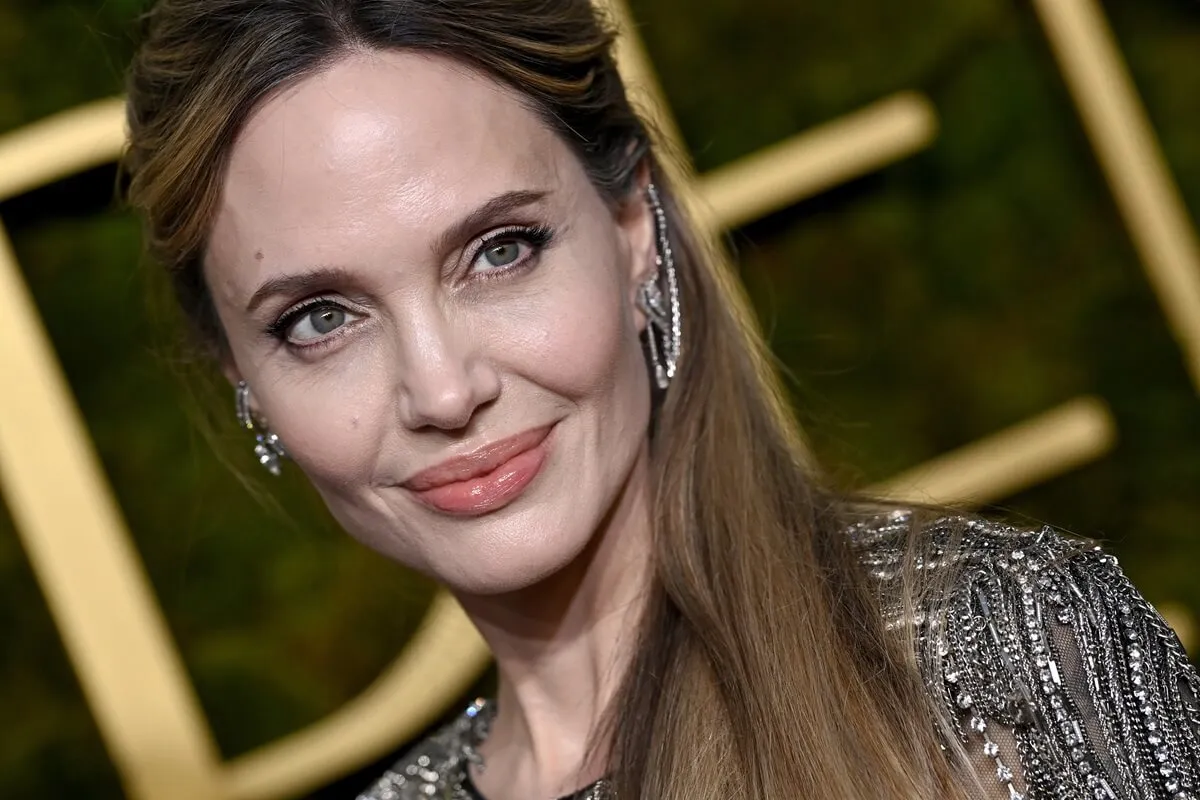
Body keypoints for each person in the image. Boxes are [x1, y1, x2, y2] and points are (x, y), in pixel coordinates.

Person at [121, 1, 1200, 798]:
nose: (443, 389)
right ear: (243, 379)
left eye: (501, 251)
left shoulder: (1001, 654)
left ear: (634, 226)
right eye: (320, 317)